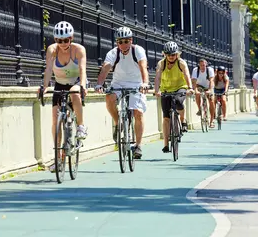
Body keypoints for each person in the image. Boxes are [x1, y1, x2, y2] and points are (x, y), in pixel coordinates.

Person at [95, 26, 149, 159]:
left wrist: (145, 83)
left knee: (138, 112)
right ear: (117, 43)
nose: (123, 45)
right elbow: (105, 69)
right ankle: (118, 123)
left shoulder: (138, 51)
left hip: (136, 84)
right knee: (109, 97)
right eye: (120, 42)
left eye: (126, 41)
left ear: (131, 41)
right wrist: (99, 84)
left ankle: (138, 145)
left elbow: (143, 68)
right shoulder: (113, 53)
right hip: (118, 83)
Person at [42, 21, 88, 171]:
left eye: (66, 40)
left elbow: (82, 69)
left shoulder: (78, 50)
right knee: (55, 120)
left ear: (71, 38)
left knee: (75, 93)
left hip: (76, 81)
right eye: (59, 40)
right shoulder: (52, 50)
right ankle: (58, 159)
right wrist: (44, 86)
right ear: (55, 40)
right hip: (60, 83)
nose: (62, 43)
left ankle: (81, 126)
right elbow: (48, 69)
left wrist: (82, 86)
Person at [154, 41, 194, 153]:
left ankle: (183, 120)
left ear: (177, 54)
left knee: (179, 102)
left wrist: (190, 88)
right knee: (166, 117)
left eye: (173, 54)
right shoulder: (161, 64)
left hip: (180, 87)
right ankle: (166, 144)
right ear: (165, 54)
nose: (171, 57)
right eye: (169, 55)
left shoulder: (181, 63)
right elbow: (157, 77)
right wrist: (157, 91)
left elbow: (187, 75)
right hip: (166, 89)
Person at [192, 59, 216, 128]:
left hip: (208, 86)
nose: (203, 67)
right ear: (199, 65)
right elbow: (194, 81)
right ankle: (199, 109)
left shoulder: (210, 70)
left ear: (206, 65)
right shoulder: (195, 70)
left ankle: (211, 121)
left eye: (204, 65)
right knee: (197, 94)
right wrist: (195, 90)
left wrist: (210, 90)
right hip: (199, 85)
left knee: (211, 101)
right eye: (201, 65)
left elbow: (211, 81)